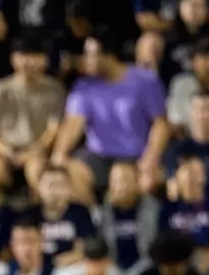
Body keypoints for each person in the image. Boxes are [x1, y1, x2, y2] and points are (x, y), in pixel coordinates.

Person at [51, 33, 168, 201]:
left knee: (152, 180)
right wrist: (59, 155)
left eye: (91, 54)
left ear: (109, 56)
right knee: (68, 175)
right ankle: (96, 217)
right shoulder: (83, 86)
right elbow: (72, 125)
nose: (86, 60)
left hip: (137, 156)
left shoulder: (145, 80)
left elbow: (160, 124)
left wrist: (151, 157)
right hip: (99, 157)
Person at [0, 33, 64, 195]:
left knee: (37, 171)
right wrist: (8, 151)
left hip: (36, 149)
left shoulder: (55, 90)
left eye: (34, 56)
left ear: (44, 59)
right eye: (22, 55)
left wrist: (31, 151)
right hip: (4, 149)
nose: (28, 61)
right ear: (13, 58)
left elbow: (53, 131)